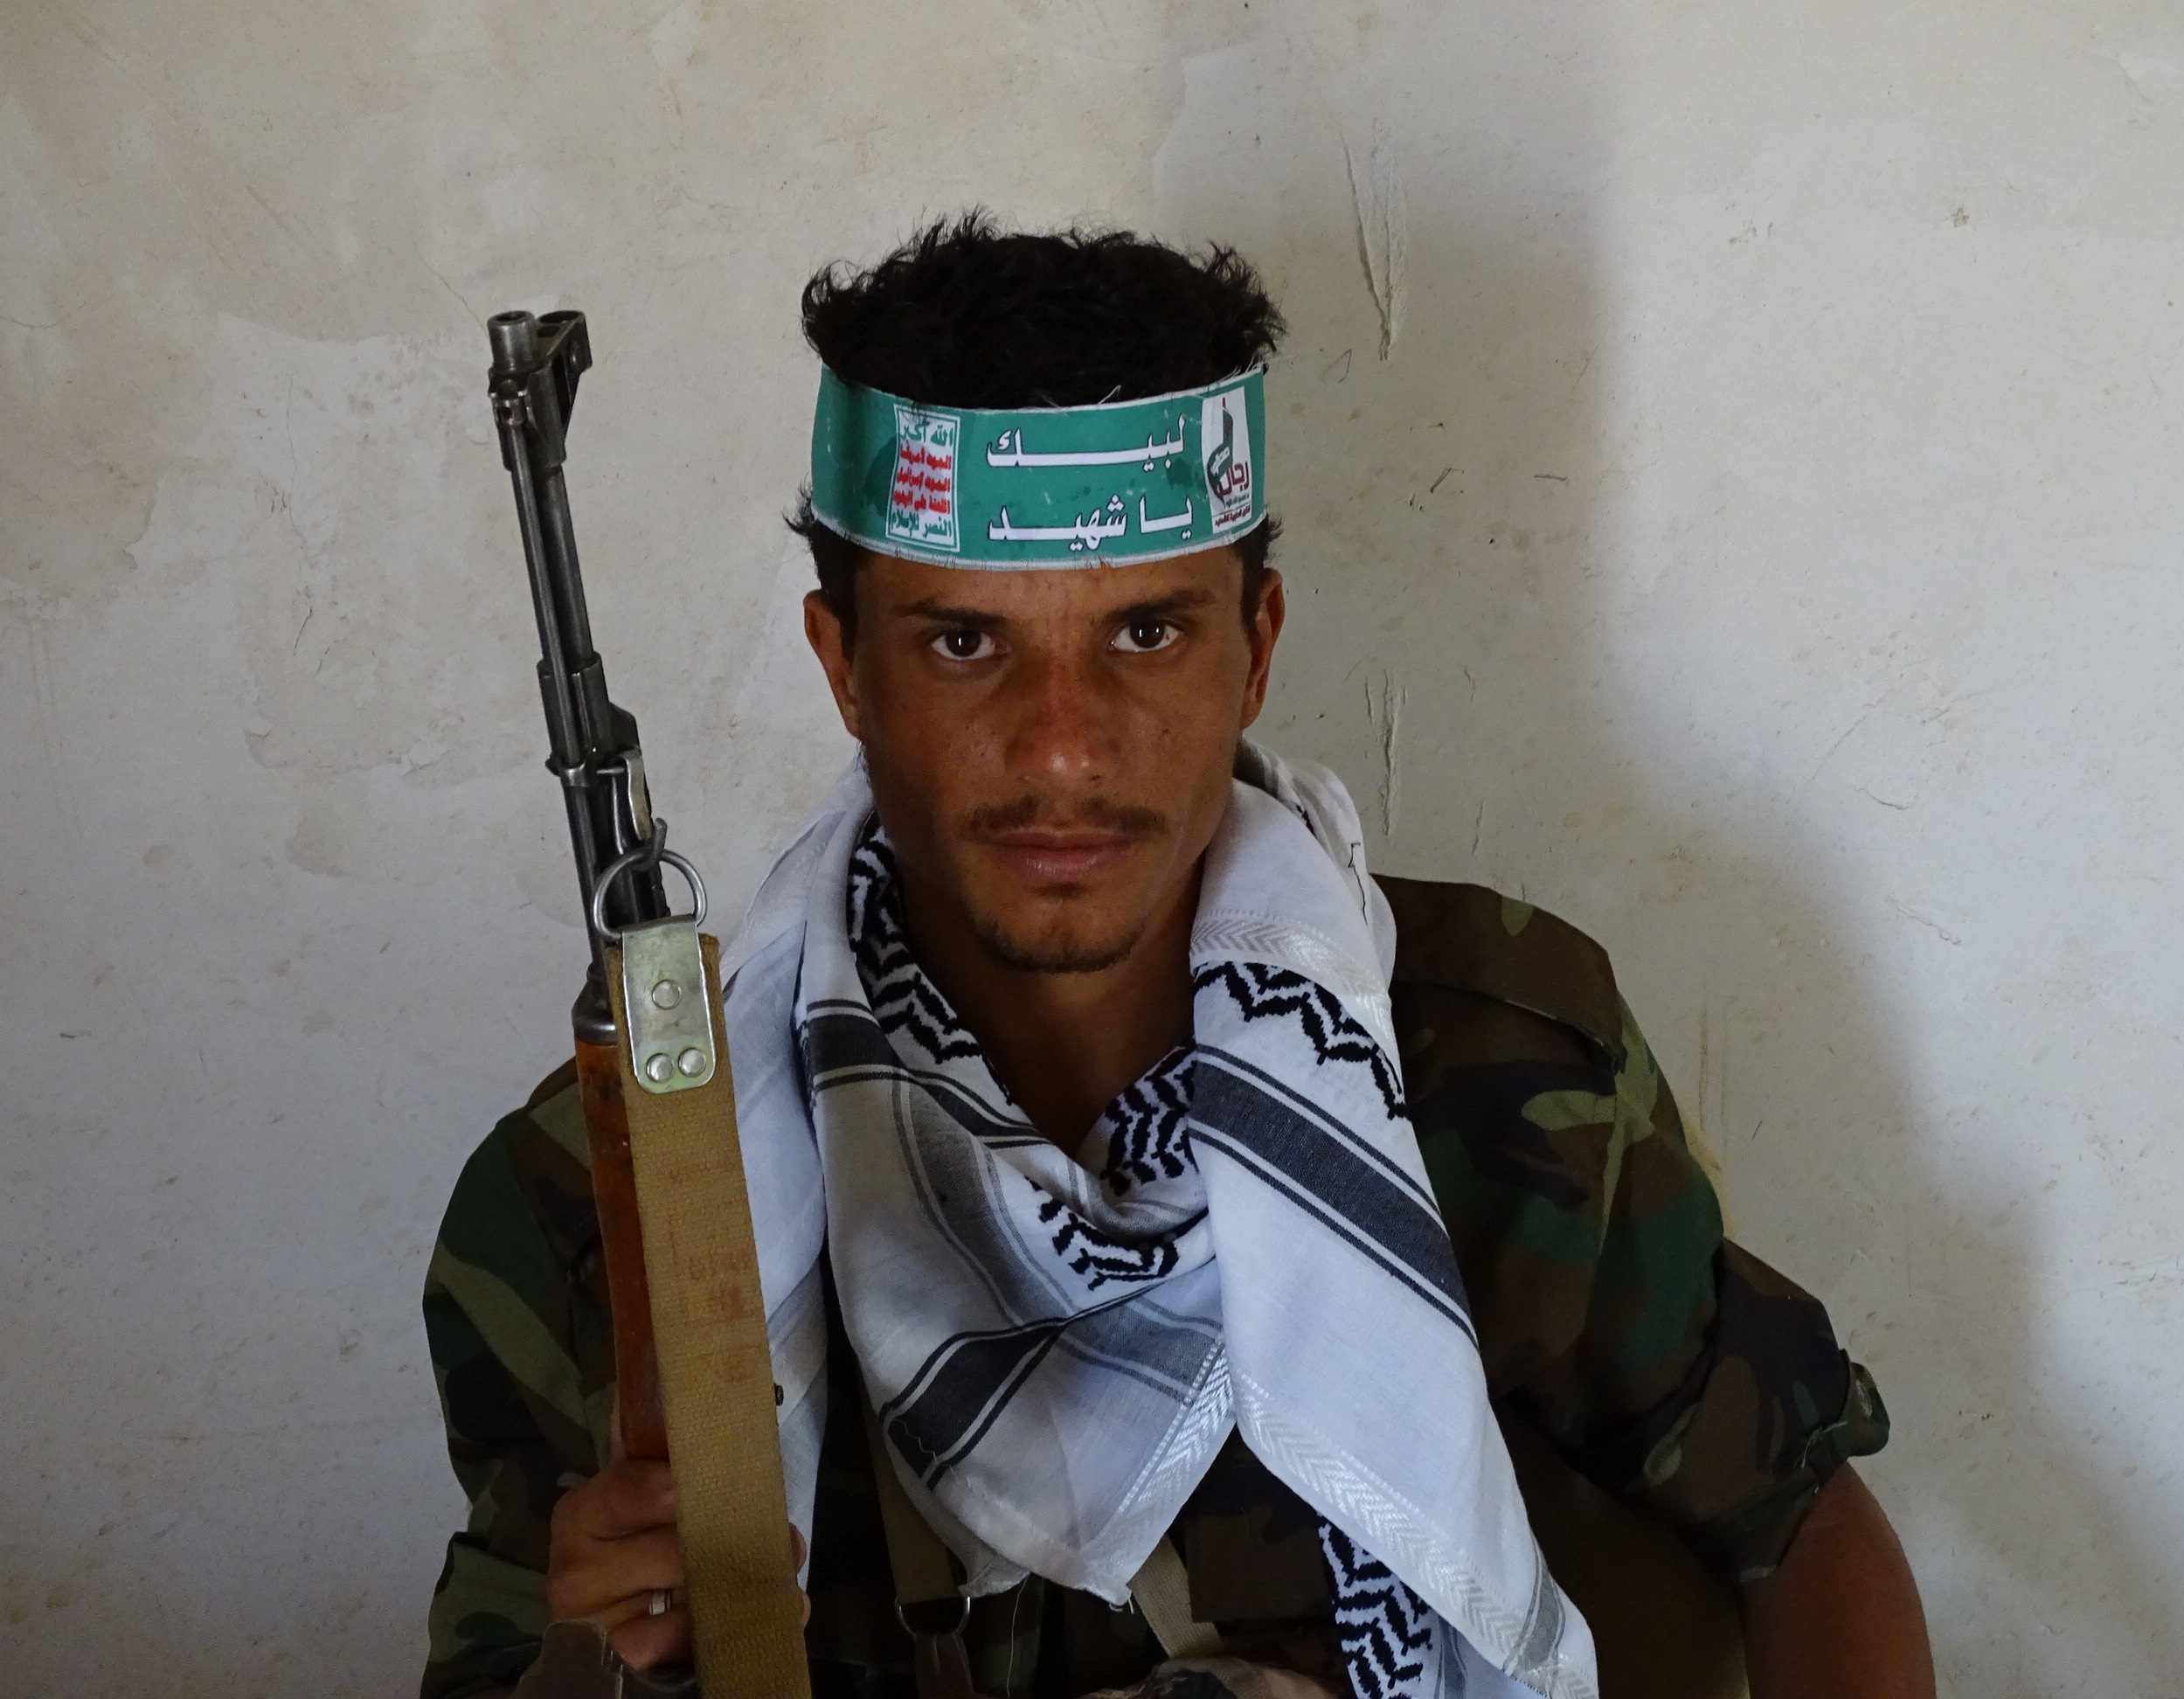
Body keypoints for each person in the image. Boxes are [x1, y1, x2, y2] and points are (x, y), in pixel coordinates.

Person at [421, 217, 1932, 1699]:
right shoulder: (613, 1199)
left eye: (1145, 635)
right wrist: (595, 1655)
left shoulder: (1492, 1068)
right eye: (965, 644)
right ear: (846, 666)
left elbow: (1795, 1516)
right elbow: (511, 1656)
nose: (1064, 747)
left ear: (1254, 648)